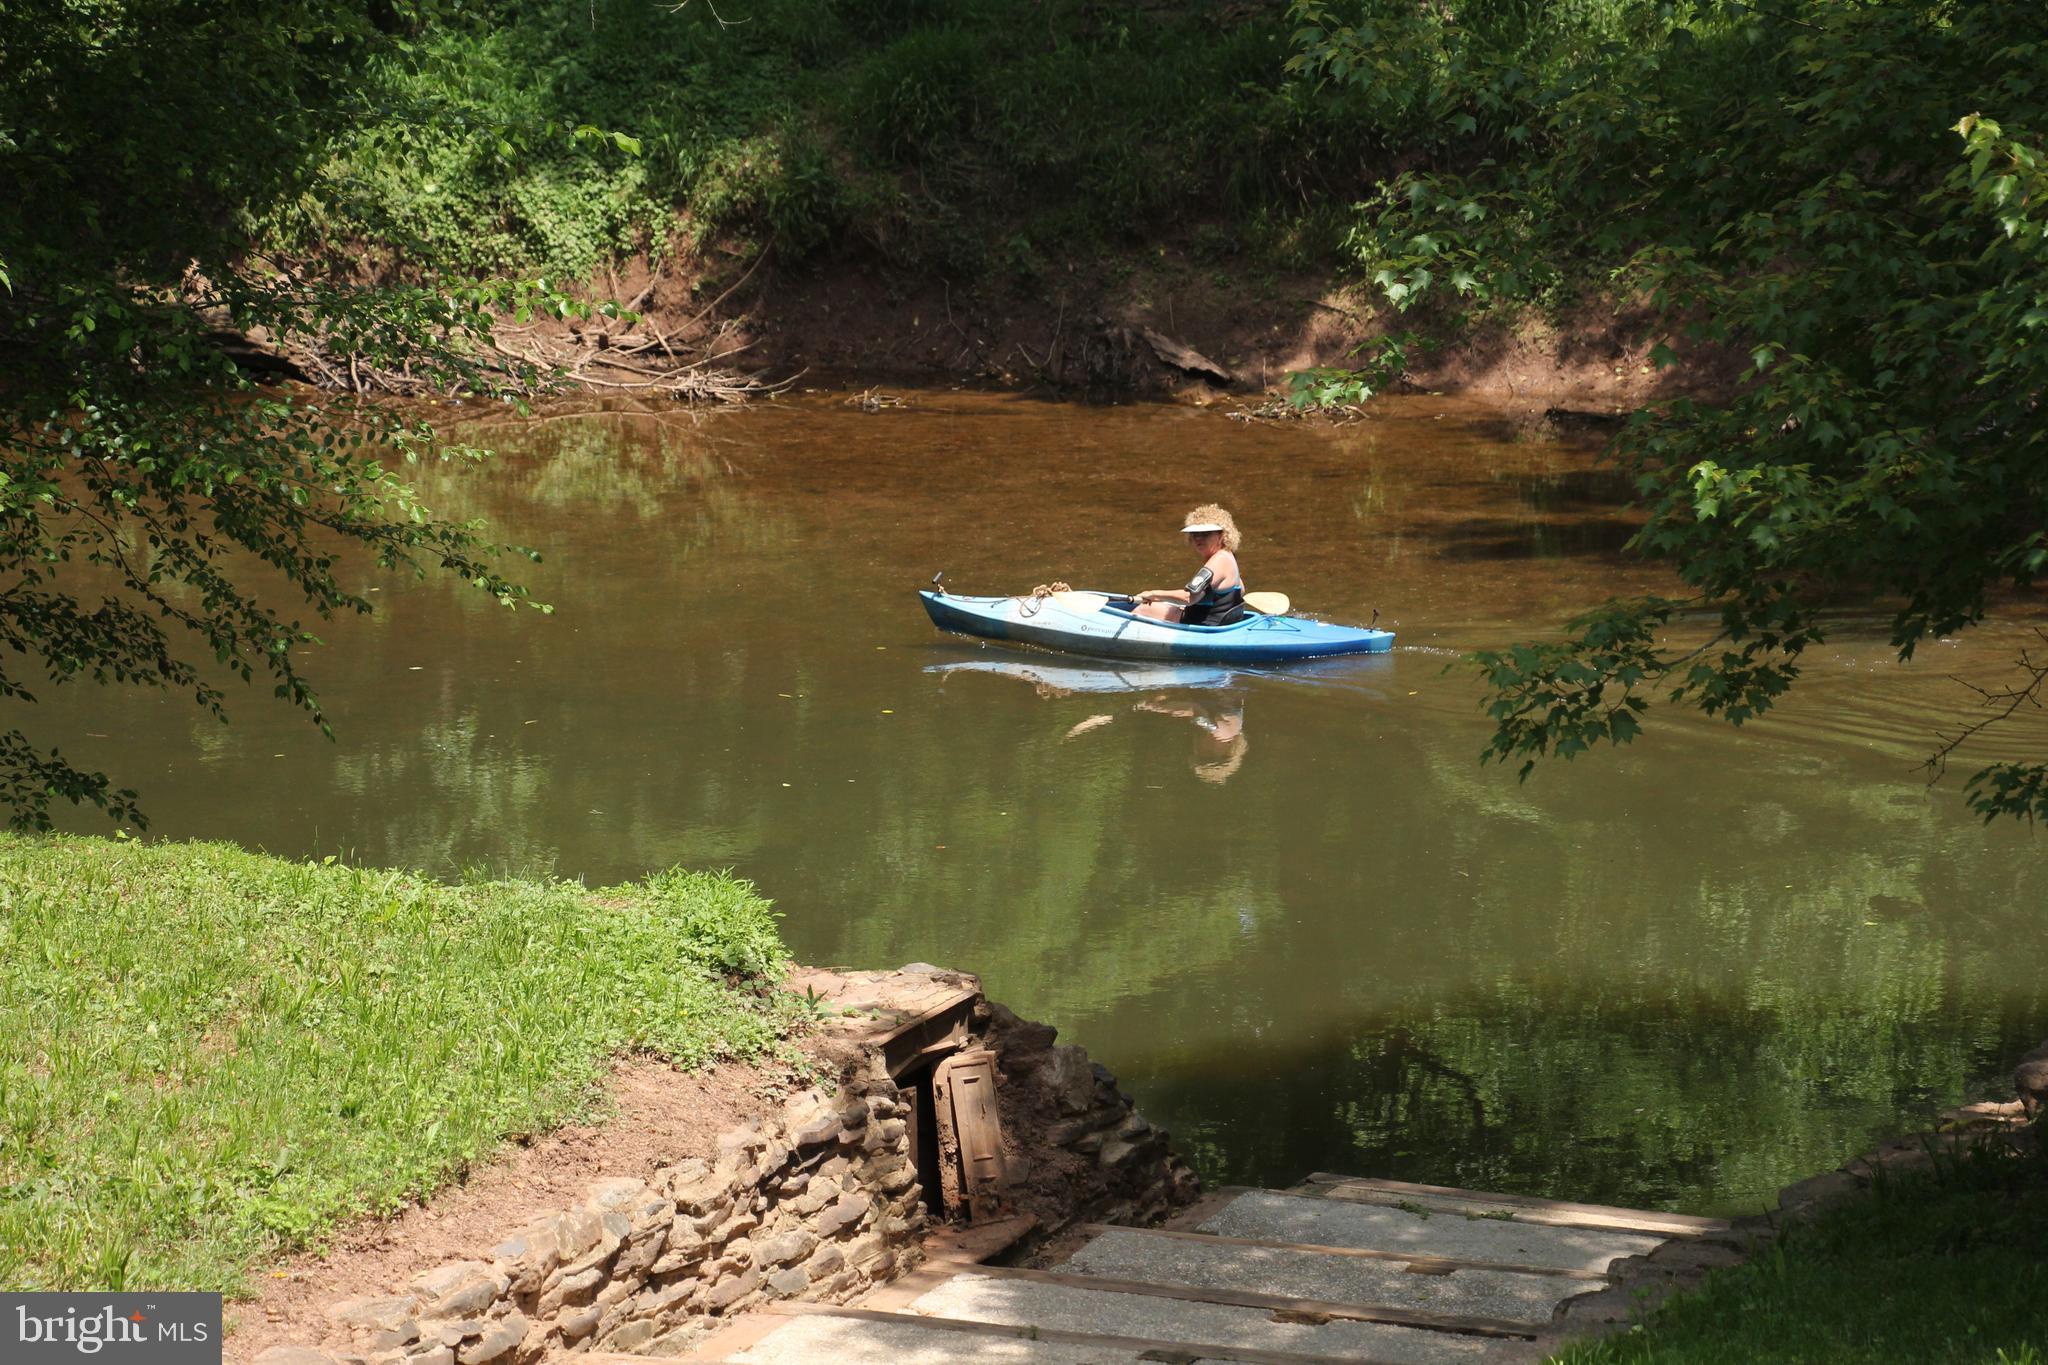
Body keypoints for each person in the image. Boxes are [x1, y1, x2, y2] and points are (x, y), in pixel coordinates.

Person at [1131, 505, 1245, 625]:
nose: (1198, 538)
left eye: (1205, 534)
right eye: (1194, 534)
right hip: (1219, 622)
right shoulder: (1229, 557)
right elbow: (1240, 591)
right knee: (1167, 605)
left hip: (1202, 626)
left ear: (1221, 535)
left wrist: (1153, 594)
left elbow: (1188, 598)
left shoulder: (1218, 561)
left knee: (1143, 609)